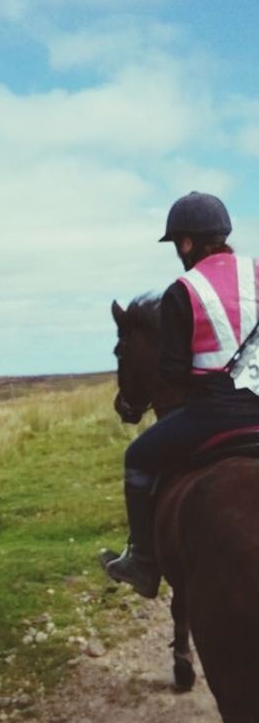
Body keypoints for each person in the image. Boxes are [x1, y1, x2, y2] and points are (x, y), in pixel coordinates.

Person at [105, 191, 259, 598]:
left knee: (136, 458)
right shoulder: (258, 272)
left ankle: (142, 562)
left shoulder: (182, 290)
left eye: (177, 244)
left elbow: (172, 372)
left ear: (187, 242)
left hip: (216, 414)